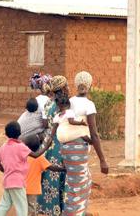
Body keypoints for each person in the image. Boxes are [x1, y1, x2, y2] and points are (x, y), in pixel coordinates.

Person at [60, 71, 109, 216]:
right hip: (77, 151)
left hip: (66, 149)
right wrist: (102, 160)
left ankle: (81, 212)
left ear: (76, 85)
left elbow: (69, 125)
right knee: (77, 188)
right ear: (90, 85)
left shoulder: (70, 102)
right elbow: (94, 133)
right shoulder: (89, 105)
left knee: (83, 183)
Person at [37, 76, 68, 216]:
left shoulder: (48, 104)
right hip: (59, 144)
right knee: (60, 176)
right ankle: (59, 210)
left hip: (47, 144)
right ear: (62, 88)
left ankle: (47, 208)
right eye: (66, 86)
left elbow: (45, 125)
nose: (68, 89)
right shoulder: (63, 106)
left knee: (49, 177)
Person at [24, 133, 64, 216]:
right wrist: (63, 169)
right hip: (32, 190)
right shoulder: (39, 158)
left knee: (23, 206)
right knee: (31, 208)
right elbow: (52, 167)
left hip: (21, 188)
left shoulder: (23, 156)